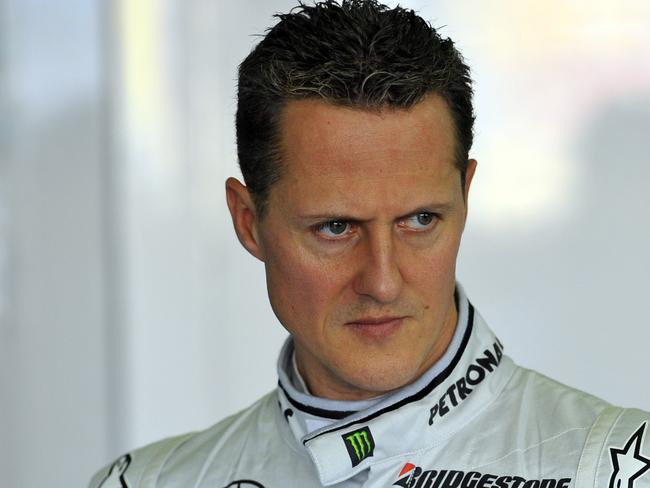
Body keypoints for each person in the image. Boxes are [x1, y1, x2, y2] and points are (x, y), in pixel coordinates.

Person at [90, 1, 650, 487]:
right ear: (248, 221)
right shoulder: (147, 482)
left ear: (466, 197)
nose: (382, 281)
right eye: (336, 228)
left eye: (421, 219)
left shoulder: (615, 467)